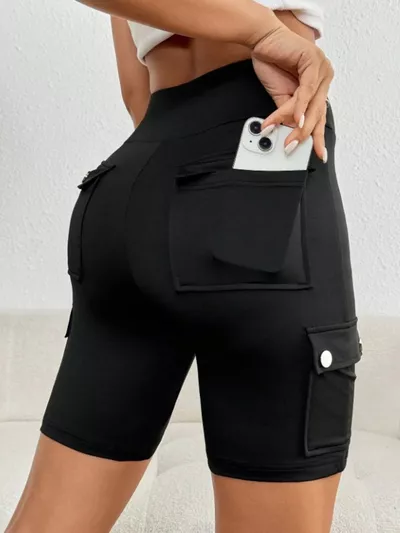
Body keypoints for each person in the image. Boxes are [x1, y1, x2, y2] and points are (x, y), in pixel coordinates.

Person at [6, 1, 363, 532]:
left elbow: (139, 97)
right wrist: (263, 31)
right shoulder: (263, 37)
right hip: (263, 169)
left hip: (134, 184)